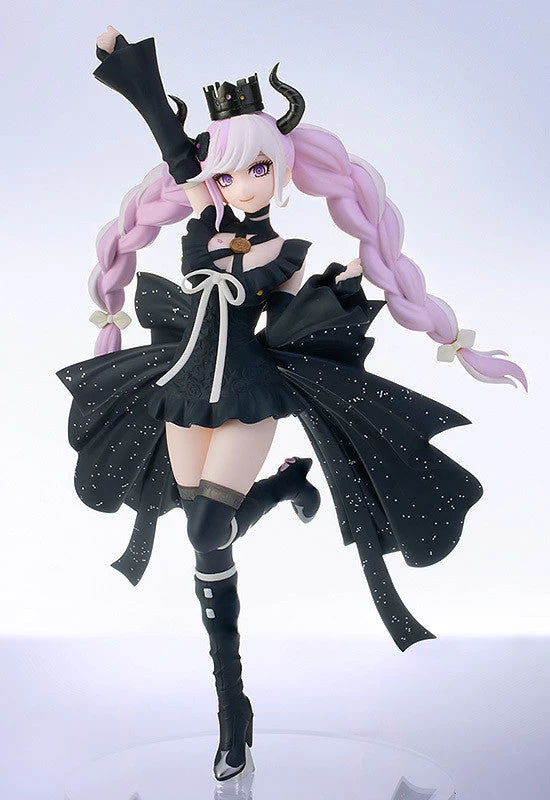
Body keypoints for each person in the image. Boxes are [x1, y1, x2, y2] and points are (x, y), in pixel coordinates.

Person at [57, 26, 526, 782]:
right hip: (183, 389)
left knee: (208, 524)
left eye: (260, 168)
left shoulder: (286, 255)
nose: (244, 184)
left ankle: (233, 708)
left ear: (280, 172)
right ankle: (237, 687)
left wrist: (346, 285)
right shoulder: (207, 221)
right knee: (204, 542)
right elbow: (177, 153)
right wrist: (132, 73)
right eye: (230, 170)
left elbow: (300, 318)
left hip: (250, 392)